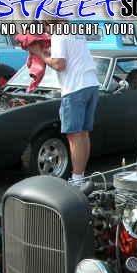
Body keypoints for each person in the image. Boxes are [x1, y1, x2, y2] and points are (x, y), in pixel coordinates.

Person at [32, 20, 99, 187]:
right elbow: (71, 56)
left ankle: (77, 180)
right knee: (83, 134)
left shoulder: (58, 34)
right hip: (91, 85)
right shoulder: (75, 31)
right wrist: (49, 52)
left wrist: (40, 53)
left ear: (47, 22)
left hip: (75, 88)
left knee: (74, 135)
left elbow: (60, 64)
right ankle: (80, 176)